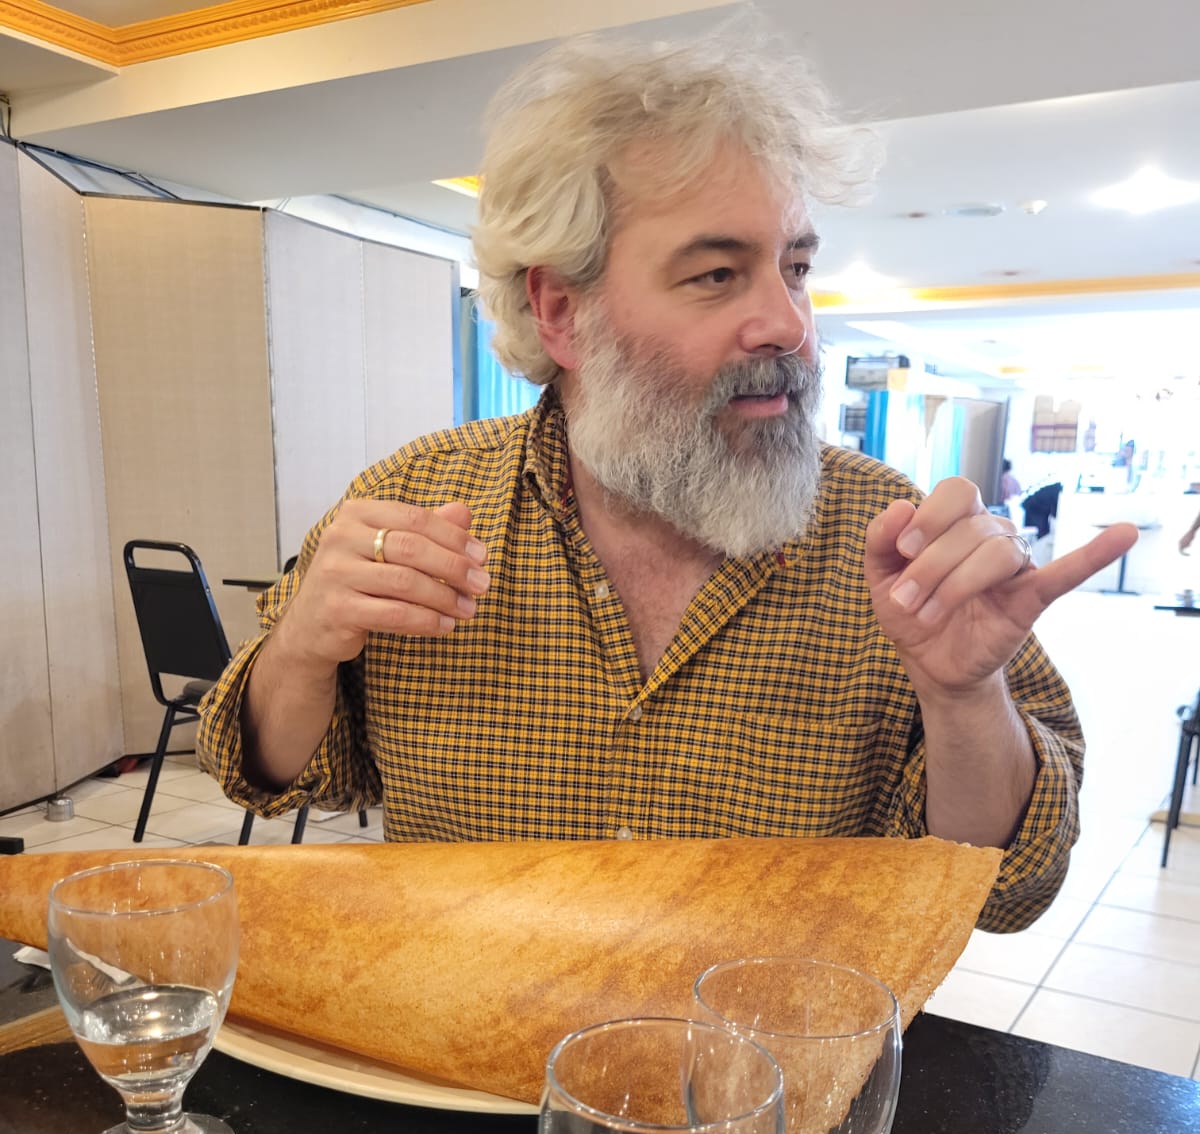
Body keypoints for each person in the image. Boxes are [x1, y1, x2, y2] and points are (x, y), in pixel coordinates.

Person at [197, 30, 1137, 934]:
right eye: (718, 274)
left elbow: (1003, 891)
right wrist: (303, 650)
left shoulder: (896, 544)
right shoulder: (423, 498)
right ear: (561, 310)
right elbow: (266, 772)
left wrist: (965, 701)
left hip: (768, 1080)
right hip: (462, 1072)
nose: (789, 324)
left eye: (796, 268)